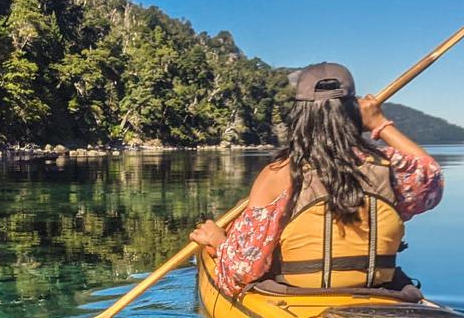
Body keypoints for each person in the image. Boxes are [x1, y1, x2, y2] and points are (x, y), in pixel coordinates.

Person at [189, 62, 443, 297]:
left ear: (299, 114)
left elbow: (241, 270)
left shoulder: (279, 173)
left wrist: (217, 240)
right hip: (378, 294)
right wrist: (380, 123)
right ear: (355, 112)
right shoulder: (388, 168)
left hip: (302, 297)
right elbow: (431, 175)